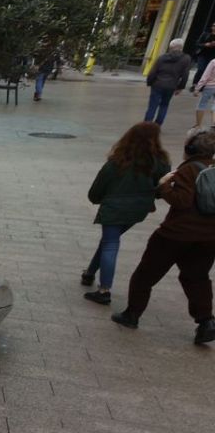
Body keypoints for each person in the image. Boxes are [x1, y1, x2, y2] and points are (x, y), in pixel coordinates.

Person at [112, 129, 215, 343]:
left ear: (191, 149)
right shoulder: (212, 169)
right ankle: (206, 322)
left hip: (175, 235)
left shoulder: (189, 170)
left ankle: (132, 314)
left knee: (145, 274)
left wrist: (164, 186)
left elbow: (182, 201)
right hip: (207, 238)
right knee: (196, 277)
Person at [82, 122, 169, 306]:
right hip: (138, 210)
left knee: (110, 244)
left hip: (114, 209)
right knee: (108, 242)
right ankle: (89, 273)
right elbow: (161, 190)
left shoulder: (117, 162)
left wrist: (97, 199)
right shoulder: (160, 163)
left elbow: (96, 190)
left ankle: (104, 290)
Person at [146, 39, 195, 126]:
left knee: (152, 106)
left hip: (158, 84)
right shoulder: (186, 59)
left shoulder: (162, 57)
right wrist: (180, 87)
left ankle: (146, 125)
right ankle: (157, 125)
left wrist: (150, 82)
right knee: (164, 105)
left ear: (171, 47)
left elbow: (153, 72)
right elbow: (185, 75)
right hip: (171, 85)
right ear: (181, 47)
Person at [194, 58, 215, 131]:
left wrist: (197, 88)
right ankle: (213, 123)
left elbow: (205, 75)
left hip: (210, 86)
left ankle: (198, 125)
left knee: (202, 104)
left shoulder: (213, 62)